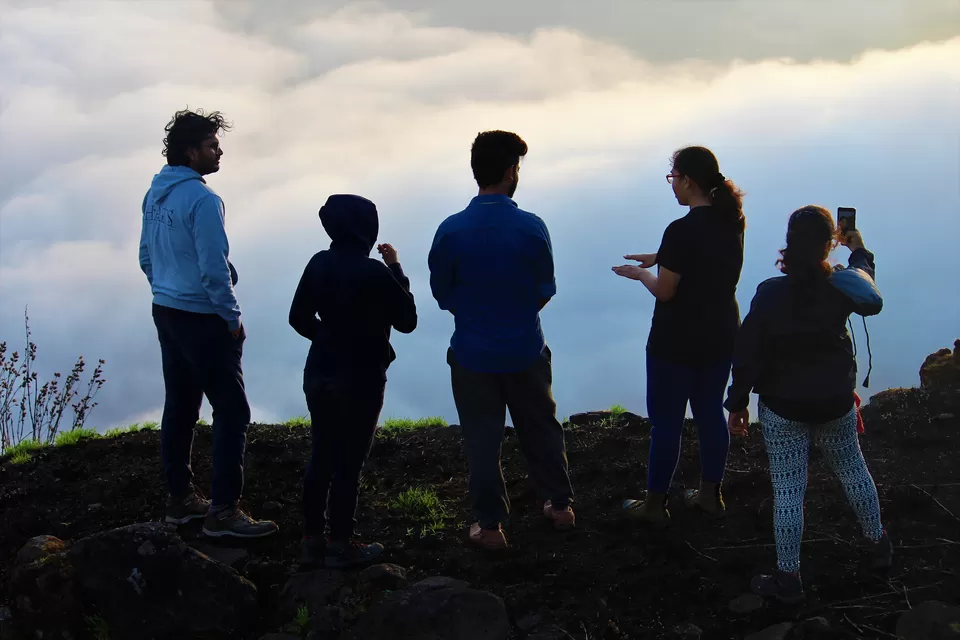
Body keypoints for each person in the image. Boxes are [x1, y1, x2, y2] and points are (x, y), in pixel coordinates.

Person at [724, 205, 892, 603]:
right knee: (853, 469)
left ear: (789, 243)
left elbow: (747, 353)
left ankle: (789, 579)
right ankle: (879, 544)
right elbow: (865, 286)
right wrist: (858, 251)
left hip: (784, 407)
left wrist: (738, 404)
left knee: (788, 491)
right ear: (828, 243)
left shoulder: (770, 294)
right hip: (835, 401)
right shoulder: (840, 287)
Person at [428, 130, 575, 550]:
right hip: (526, 348)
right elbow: (545, 288)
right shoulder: (531, 227)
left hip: (472, 352)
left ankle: (490, 527)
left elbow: (442, 293)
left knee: (482, 438)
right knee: (542, 428)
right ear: (512, 171)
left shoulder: (450, 231)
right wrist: (518, 315)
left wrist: (474, 315)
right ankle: (560, 506)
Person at [139, 108, 277, 538]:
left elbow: (146, 255)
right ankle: (224, 511)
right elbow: (214, 270)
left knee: (180, 405)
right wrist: (231, 317)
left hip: (167, 310)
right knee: (232, 410)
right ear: (191, 151)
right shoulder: (202, 200)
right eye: (212, 145)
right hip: (202, 317)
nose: (219, 152)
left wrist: (164, 289)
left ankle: (180, 499)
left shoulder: (155, 194)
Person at [613, 146, 745, 526]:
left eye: (673, 179)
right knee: (709, 415)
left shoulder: (681, 229)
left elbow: (667, 290)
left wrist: (642, 275)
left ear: (688, 180)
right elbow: (704, 257)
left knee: (667, 423)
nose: (672, 186)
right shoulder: (732, 221)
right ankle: (709, 496)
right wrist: (661, 256)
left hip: (675, 341)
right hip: (720, 335)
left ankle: (655, 505)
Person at [289, 194, 417, 568]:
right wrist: (395, 268)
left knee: (322, 454)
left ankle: (312, 538)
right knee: (349, 462)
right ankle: (341, 543)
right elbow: (407, 321)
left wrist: (329, 336)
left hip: (320, 370)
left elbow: (298, 318)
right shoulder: (374, 272)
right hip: (361, 374)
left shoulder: (318, 263)